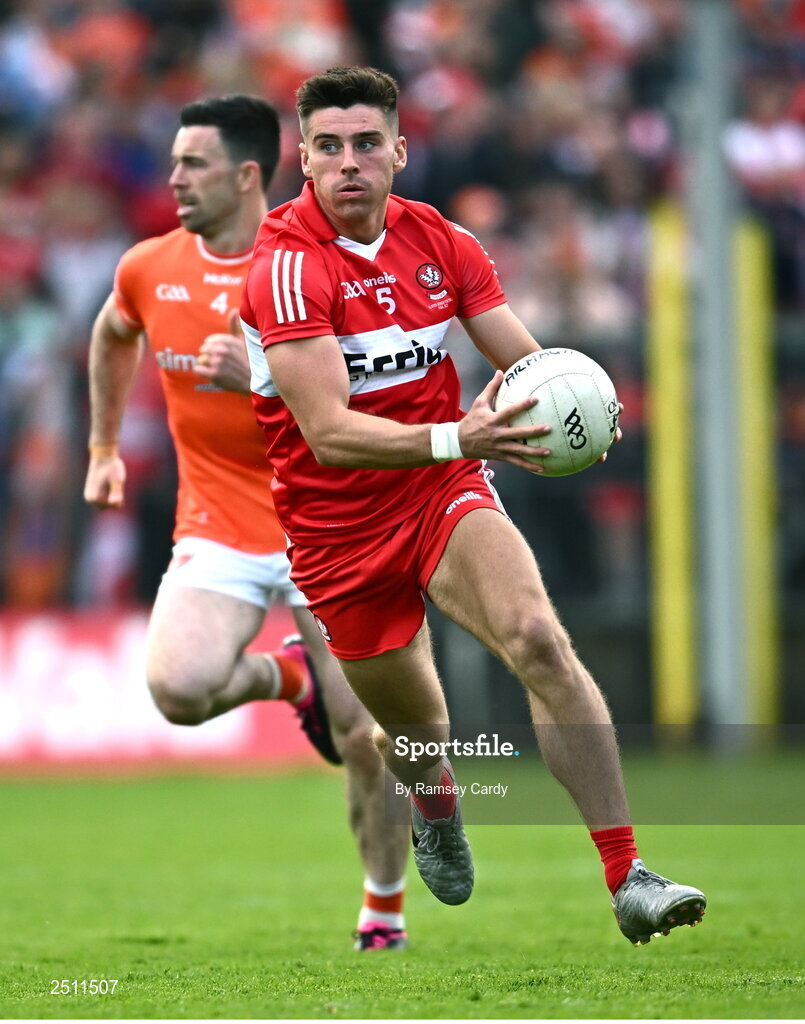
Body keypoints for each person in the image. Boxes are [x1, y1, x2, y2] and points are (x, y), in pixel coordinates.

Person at [240, 66, 707, 945]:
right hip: (336, 533)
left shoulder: (444, 242)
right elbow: (330, 433)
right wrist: (465, 434)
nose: (349, 164)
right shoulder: (286, 266)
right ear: (302, 158)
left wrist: (569, 418)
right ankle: (438, 802)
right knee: (420, 734)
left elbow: (527, 371)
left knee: (537, 638)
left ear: (399, 152)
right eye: (329, 147)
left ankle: (628, 874)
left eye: (367, 145)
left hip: (441, 491)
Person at [83, 94, 410, 952]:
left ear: (247, 175)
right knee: (178, 690)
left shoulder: (313, 264)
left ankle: (382, 911)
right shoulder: (150, 267)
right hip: (219, 523)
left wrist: (260, 373)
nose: (174, 179)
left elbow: (366, 405)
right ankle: (288, 679)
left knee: (368, 735)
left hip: (330, 523)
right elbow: (113, 334)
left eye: (192, 164)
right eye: (174, 162)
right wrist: (103, 446)